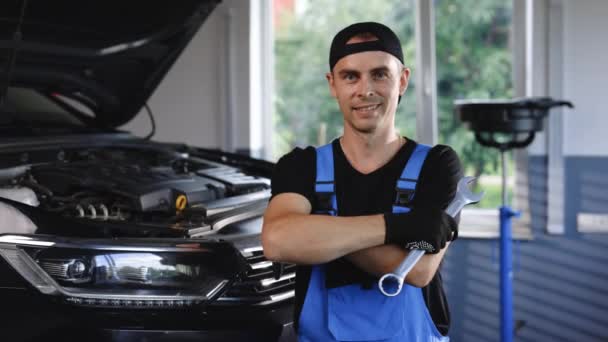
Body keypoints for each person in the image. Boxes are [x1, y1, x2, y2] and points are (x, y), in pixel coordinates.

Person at [262, 22, 462, 341]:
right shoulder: (301, 165)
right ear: (333, 85)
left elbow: (417, 270)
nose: (364, 90)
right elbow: (278, 241)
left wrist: (315, 234)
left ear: (403, 80)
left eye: (380, 74)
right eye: (350, 76)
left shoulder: (437, 164)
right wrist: (398, 228)